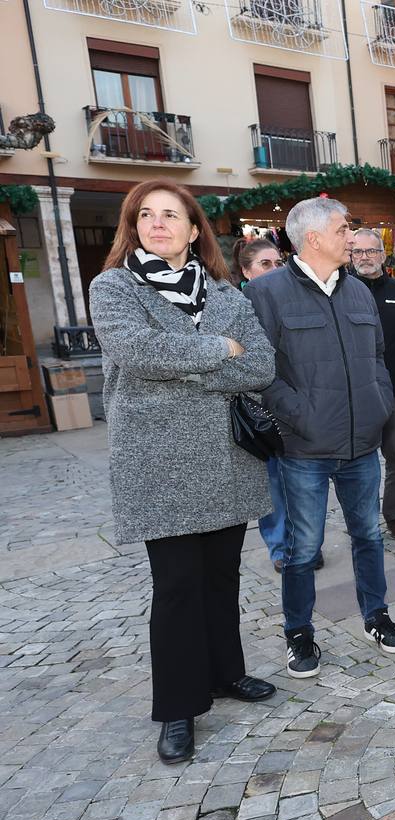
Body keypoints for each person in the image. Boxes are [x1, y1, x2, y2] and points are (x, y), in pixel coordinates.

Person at [89, 179, 278, 763]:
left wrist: (198, 365)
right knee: (175, 587)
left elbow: (264, 364)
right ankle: (178, 706)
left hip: (225, 459)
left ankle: (226, 673)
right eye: (146, 214)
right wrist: (223, 352)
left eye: (171, 214)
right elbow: (138, 352)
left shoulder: (223, 293)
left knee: (222, 577)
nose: (157, 223)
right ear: (134, 226)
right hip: (157, 462)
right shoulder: (113, 287)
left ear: (194, 230)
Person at [244, 198, 395, 679]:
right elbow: (260, 371)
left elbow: (377, 357)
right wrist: (301, 415)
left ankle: (375, 616)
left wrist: (379, 405)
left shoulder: (359, 293)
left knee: (368, 536)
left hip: (362, 445)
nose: (350, 237)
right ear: (313, 238)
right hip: (304, 449)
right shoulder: (267, 293)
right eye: (343, 230)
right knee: (301, 548)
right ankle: (299, 634)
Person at [233, 238, 320, 576]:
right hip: (260, 407)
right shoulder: (239, 307)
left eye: (277, 263)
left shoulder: (294, 300)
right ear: (246, 271)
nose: (274, 270)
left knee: (303, 482)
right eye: (264, 264)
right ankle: (281, 547)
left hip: (296, 403)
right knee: (273, 483)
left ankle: (307, 543)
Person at [352, 228, 395, 539]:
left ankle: (394, 515)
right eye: (358, 252)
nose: (365, 258)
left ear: (382, 254)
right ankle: (364, 522)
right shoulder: (341, 292)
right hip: (354, 393)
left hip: (394, 390)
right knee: (359, 463)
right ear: (350, 256)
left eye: (371, 251)